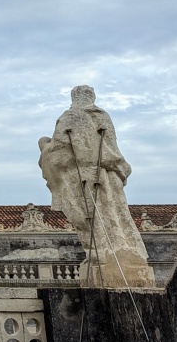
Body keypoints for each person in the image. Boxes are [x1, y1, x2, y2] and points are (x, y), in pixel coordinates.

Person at [38, 86, 153, 287]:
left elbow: (59, 154)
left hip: (80, 175)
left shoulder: (67, 118)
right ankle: (119, 252)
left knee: (86, 216)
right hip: (108, 174)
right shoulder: (102, 117)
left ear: (73, 98)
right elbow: (111, 146)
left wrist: (45, 147)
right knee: (114, 214)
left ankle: (103, 254)